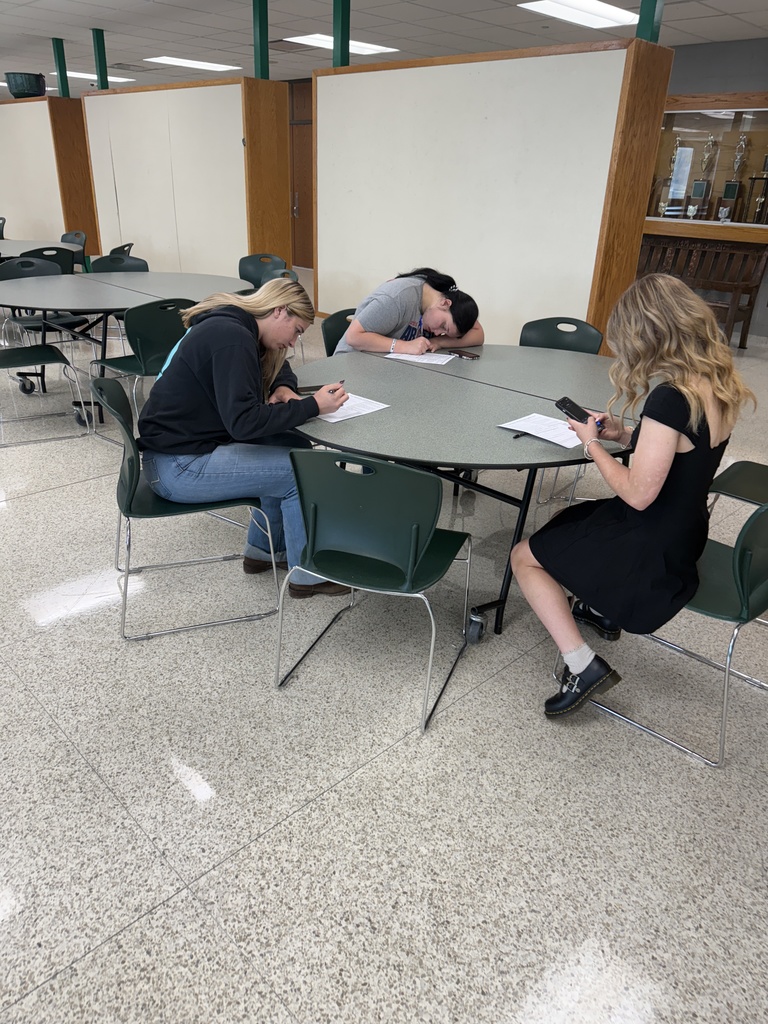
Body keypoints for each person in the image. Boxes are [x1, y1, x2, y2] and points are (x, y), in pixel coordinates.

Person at [510, 273, 755, 717]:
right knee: (570, 528)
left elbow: (639, 494)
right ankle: (602, 606)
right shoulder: (717, 383)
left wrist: (592, 443)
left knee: (525, 555)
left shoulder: (671, 398)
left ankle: (582, 665)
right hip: (685, 528)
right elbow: (682, 452)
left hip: (649, 538)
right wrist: (626, 432)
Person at [138, 279, 351, 598]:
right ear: (280, 311)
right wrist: (312, 405)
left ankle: (264, 552)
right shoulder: (232, 338)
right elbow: (243, 423)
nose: (294, 341)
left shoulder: (236, 326)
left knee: (293, 446)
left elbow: (278, 366)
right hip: (177, 466)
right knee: (299, 471)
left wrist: (283, 386)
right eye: (297, 330)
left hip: (178, 452)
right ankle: (307, 576)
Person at [334, 267, 484, 355]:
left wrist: (440, 341)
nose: (438, 331)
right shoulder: (397, 298)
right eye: (443, 326)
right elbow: (353, 337)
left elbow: (478, 333)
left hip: (385, 366)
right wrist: (404, 346)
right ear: (445, 303)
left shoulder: (446, 300)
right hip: (351, 365)